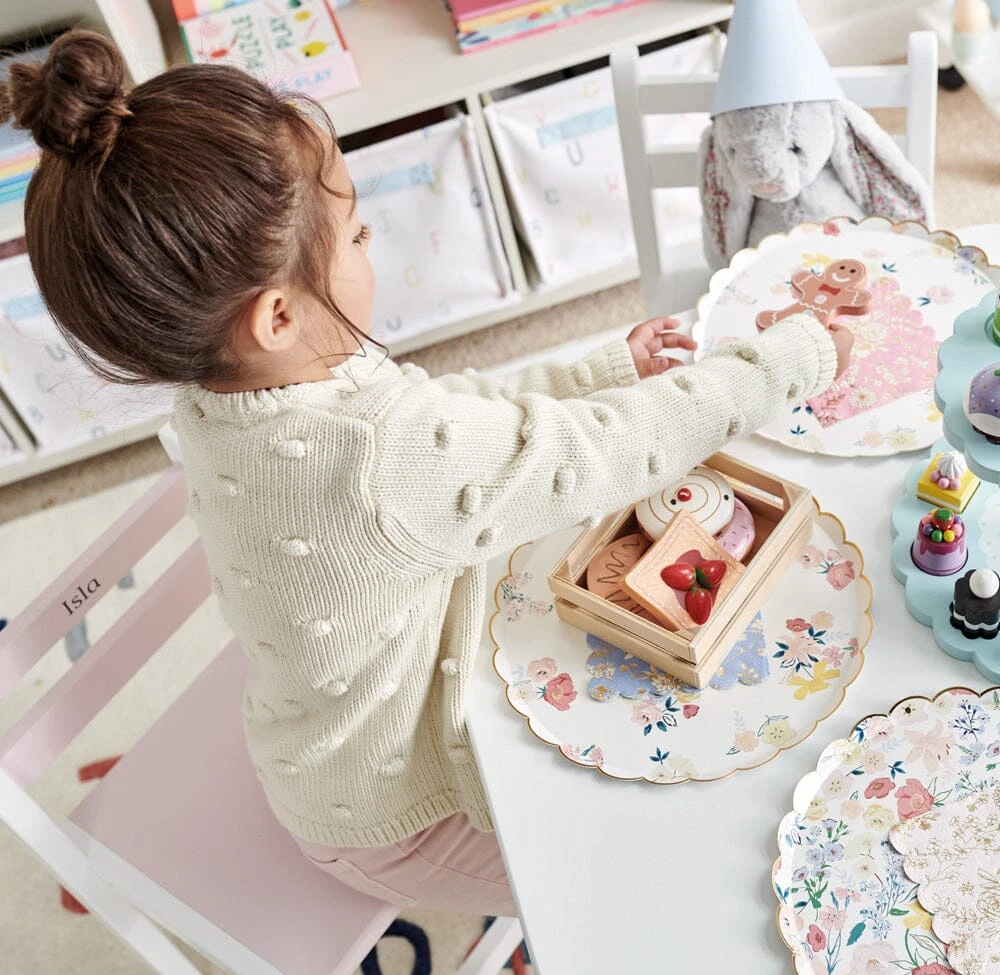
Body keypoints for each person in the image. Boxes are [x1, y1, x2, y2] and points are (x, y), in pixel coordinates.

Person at [1, 31, 849, 920]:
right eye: (359, 232)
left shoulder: (226, 391)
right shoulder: (373, 462)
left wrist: (589, 371)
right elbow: (603, 453)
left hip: (337, 721)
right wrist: (784, 360)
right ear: (280, 314)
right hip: (392, 814)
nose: (374, 241)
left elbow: (444, 415)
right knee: (643, 874)